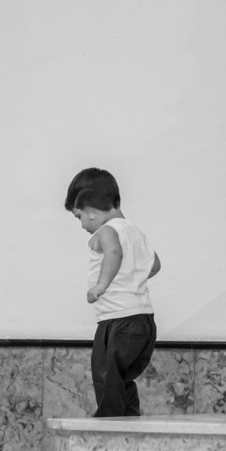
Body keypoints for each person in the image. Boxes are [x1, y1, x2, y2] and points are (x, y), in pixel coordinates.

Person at [64, 167, 161, 417]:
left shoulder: (106, 231)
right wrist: (132, 276)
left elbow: (114, 253)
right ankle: (128, 419)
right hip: (144, 321)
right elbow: (155, 264)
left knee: (105, 374)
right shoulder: (136, 231)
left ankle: (108, 424)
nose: (82, 224)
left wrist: (101, 285)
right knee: (122, 378)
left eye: (79, 217)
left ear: (92, 213)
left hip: (118, 320)